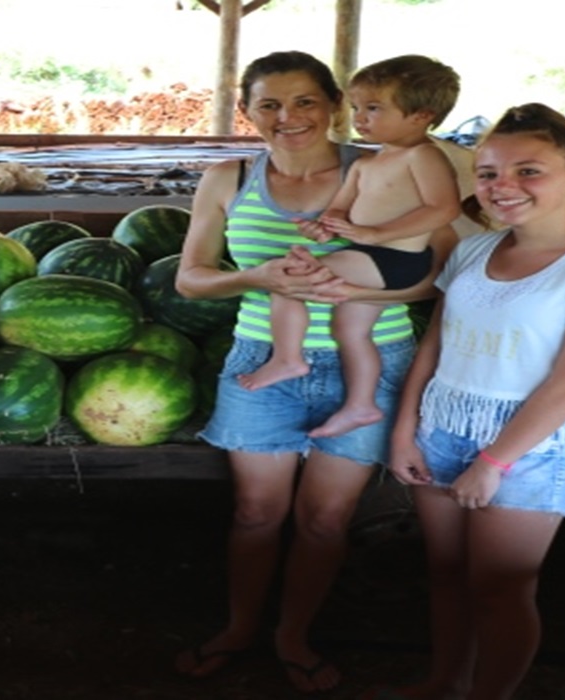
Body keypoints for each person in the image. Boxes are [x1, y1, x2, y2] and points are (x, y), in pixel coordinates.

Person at [172, 51, 458, 694]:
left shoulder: (389, 163)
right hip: (260, 358)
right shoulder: (228, 177)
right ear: (247, 111)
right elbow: (190, 280)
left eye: (304, 101)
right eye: (268, 103)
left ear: (334, 105)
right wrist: (258, 276)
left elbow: (439, 273)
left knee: (326, 520)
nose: (288, 117)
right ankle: (241, 628)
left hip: (373, 359)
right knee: (254, 512)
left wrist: (356, 297)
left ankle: (293, 636)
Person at [379, 104, 565, 700]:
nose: (503, 187)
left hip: (530, 445)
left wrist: (493, 462)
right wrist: (405, 430)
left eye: (529, 171)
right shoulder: (476, 252)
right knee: (447, 576)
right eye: (489, 172)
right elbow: (435, 345)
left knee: (501, 588)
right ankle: (444, 683)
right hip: (444, 423)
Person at [242, 55, 463, 440]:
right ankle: (361, 404)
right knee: (351, 332)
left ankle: (287, 358)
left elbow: (443, 208)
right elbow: (340, 208)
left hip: (395, 258)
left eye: (374, 109)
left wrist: (377, 234)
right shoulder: (368, 163)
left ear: (421, 115)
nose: (360, 118)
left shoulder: (423, 156)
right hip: (373, 258)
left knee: (290, 274)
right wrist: (323, 229)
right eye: (358, 107)